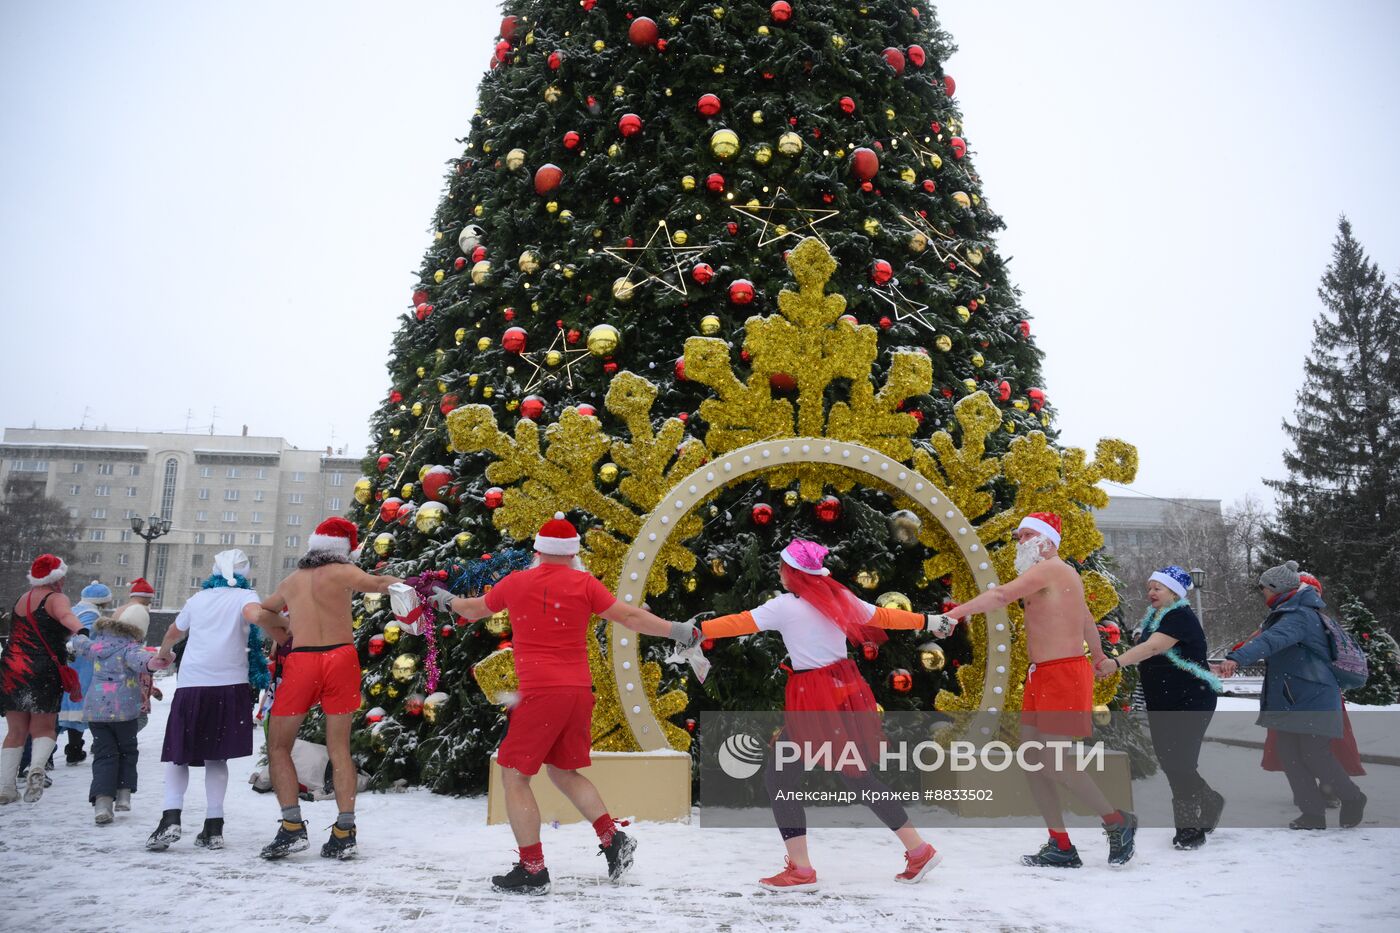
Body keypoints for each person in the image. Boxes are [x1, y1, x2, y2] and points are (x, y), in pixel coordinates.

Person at [433, 512, 695, 895]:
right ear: (573, 554)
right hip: (577, 693)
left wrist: (446, 600)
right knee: (562, 771)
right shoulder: (585, 584)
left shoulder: (517, 582)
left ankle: (532, 869)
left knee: (514, 776)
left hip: (540, 693)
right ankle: (613, 840)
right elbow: (629, 617)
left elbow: (473, 610)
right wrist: (677, 630)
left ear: (537, 550)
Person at [694, 538, 954, 890]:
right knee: (853, 776)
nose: (780, 572)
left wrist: (695, 630)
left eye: (784, 567)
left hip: (814, 697)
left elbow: (740, 622)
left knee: (782, 778)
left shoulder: (785, 606)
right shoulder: (838, 598)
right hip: (843, 689)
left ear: (794, 572)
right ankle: (917, 850)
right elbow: (885, 616)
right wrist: (929, 620)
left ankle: (803, 870)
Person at [943, 513, 1136, 867]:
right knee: (1033, 760)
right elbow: (1085, 619)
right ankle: (1060, 844)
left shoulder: (1051, 568)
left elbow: (1001, 594)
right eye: (1018, 536)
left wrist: (956, 614)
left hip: (1062, 674)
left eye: (1027, 534)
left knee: (1055, 761)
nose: (1020, 541)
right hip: (1043, 675)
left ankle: (1116, 821)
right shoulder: (1058, 575)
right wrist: (1098, 655)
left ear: (1047, 540)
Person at [242, 517, 401, 862]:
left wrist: (281, 630)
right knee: (338, 747)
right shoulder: (343, 573)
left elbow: (260, 612)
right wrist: (406, 584)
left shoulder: (292, 580)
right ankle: (345, 831)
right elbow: (379, 584)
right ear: (344, 549)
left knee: (279, 746)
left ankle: (291, 827)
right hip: (340, 658)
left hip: (302, 661)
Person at [1220, 560, 1366, 829]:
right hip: (1291, 697)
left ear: (1276, 588)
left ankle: (1353, 797)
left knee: (1315, 754)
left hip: (1313, 696)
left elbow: (1269, 641)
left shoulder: (1299, 615)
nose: (1262, 593)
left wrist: (1237, 659)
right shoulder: (1286, 612)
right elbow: (1265, 639)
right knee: (1290, 754)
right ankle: (1312, 813)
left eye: (1264, 588)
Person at [1095, 566, 1224, 849]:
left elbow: (1153, 648)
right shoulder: (1155, 617)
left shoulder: (1179, 617)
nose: (1150, 592)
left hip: (1192, 699)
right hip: (1163, 701)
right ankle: (1209, 798)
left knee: (1181, 762)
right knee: (1169, 761)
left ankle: (1189, 829)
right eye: (1149, 587)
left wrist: (1115, 663)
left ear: (1174, 592)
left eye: (1158, 587)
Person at [145, 550, 266, 852]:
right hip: (230, 685)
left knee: (179, 755)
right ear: (244, 573)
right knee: (217, 756)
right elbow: (256, 616)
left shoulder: (197, 600)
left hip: (194, 684)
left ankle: (170, 819)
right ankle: (214, 827)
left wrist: (162, 654)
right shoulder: (245, 596)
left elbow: (174, 631)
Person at [1259, 572, 1364, 803]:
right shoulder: (1289, 619)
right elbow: (1259, 642)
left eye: (1314, 591)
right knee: (1296, 749)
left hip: (1316, 695)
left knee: (1318, 748)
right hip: (1293, 695)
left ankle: (1330, 789)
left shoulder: (1309, 620)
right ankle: (1311, 798)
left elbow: (1262, 643)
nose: (1310, 595)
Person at [1, 555, 86, 804]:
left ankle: (6, 787)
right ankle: (37, 768)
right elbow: (65, 616)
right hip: (42, 669)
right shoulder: (56, 598)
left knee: (15, 730)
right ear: (57, 577)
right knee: (43, 728)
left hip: (11, 667)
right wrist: (82, 630)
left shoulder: (22, 598)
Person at [70, 610, 169, 823]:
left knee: (104, 754)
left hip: (97, 711)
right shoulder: (130, 649)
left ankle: (102, 805)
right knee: (127, 751)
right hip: (124, 712)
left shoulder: (97, 645)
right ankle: (123, 795)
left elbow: (80, 643)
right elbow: (146, 662)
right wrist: (161, 660)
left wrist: (78, 634)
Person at [59, 580, 112, 765]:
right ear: (101, 601)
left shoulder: (75, 609)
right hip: (82, 665)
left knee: (64, 707)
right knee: (77, 706)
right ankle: (74, 750)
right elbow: (84, 637)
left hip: (68, 663)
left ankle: (50, 755)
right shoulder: (91, 613)